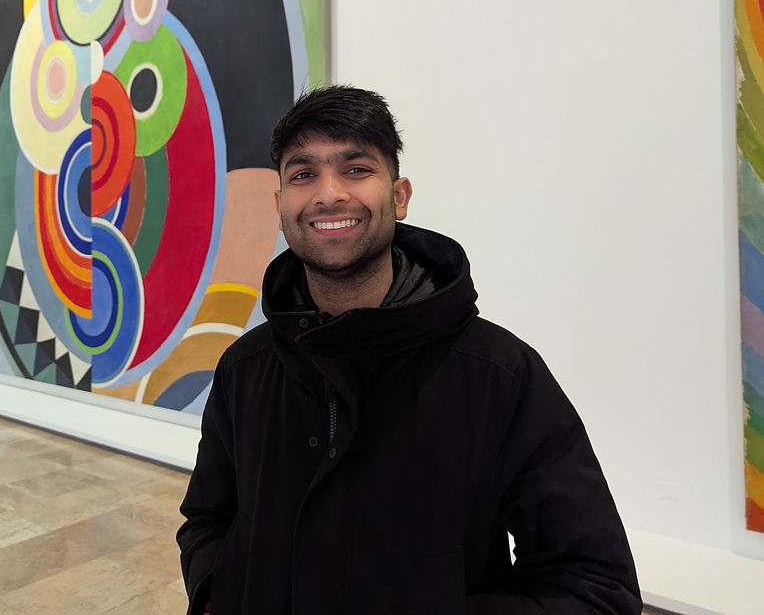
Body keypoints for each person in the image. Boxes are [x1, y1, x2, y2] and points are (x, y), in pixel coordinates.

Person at [176, 85, 641, 614]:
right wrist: (219, 594)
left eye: (356, 169)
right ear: (280, 205)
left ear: (399, 196)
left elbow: (595, 585)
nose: (328, 194)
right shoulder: (245, 367)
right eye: (304, 173)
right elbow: (208, 519)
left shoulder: (500, 374)